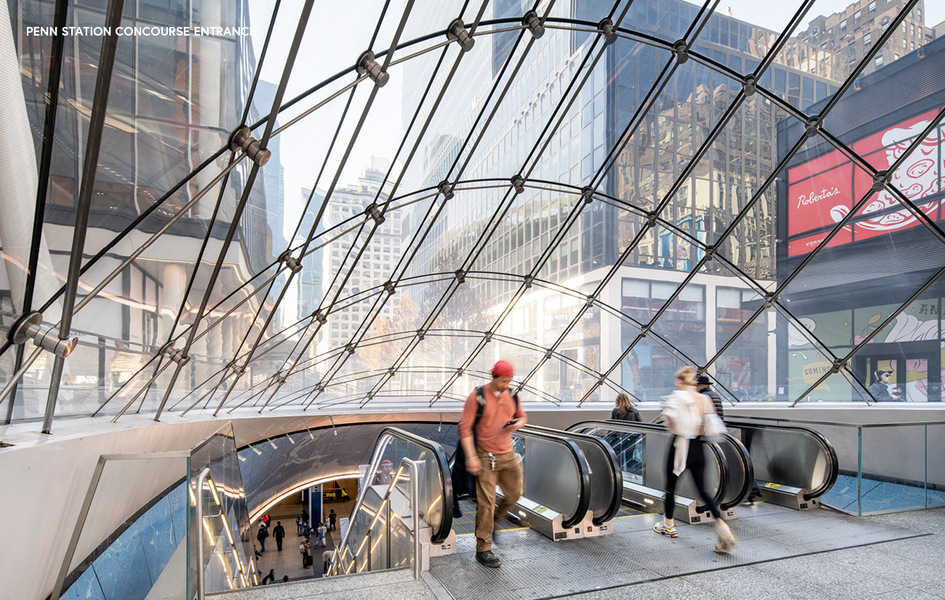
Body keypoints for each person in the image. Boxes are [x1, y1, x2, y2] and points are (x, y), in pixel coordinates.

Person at [654, 366, 737, 554]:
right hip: (698, 448)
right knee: (703, 491)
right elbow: (710, 423)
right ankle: (723, 527)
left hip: (679, 447)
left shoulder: (677, 398)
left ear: (680, 381)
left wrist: (667, 411)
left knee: (671, 488)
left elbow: (672, 425)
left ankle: (669, 525)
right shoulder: (703, 399)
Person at [459, 359, 527, 569]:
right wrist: (471, 457)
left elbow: (523, 417)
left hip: (507, 454)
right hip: (484, 455)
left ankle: (495, 520)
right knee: (485, 502)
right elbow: (465, 428)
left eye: (509, 381)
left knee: (515, 494)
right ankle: (483, 548)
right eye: (503, 381)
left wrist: (517, 424)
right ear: (494, 376)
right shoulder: (477, 397)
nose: (506, 385)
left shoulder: (512, 396)